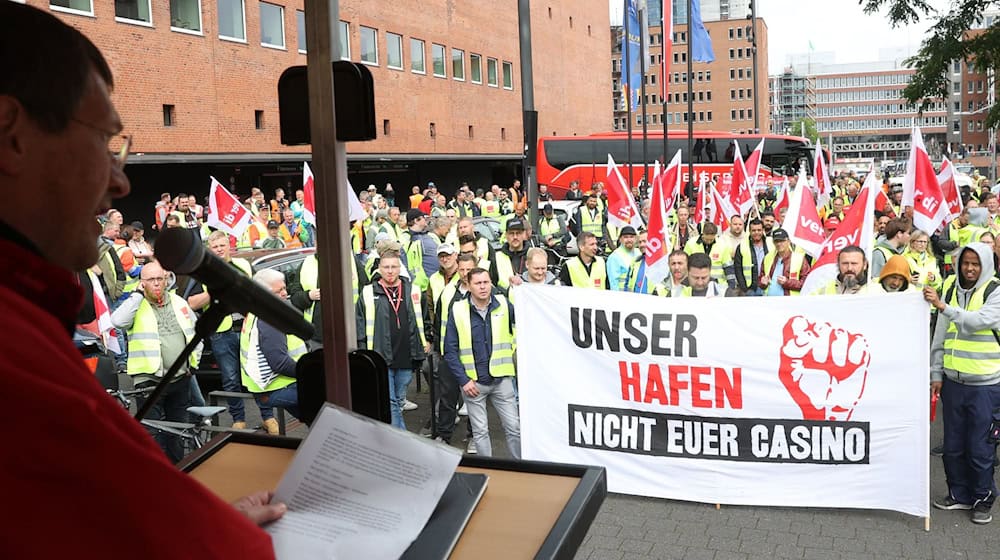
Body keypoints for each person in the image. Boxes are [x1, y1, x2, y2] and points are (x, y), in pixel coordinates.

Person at [0, 8, 285, 550]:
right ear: (10, 134)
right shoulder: (13, 357)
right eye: (104, 141)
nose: (120, 180)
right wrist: (216, 538)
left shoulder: (28, 314)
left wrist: (200, 522)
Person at [925, 242, 1000, 524]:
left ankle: (983, 497)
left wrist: (944, 307)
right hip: (953, 383)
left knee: (980, 447)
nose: (969, 268)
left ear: (986, 265)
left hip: (986, 385)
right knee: (953, 445)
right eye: (965, 263)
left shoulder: (995, 291)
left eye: (975, 263)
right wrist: (936, 373)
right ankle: (959, 494)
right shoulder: (950, 289)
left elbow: (979, 321)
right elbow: (940, 337)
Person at [112, 260, 204, 463]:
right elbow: (117, 321)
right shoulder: (136, 304)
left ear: (166, 280)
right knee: (151, 433)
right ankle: (156, 473)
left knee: (177, 431)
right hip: (149, 381)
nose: (156, 284)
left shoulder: (179, 302)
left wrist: (192, 364)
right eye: (151, 280)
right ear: (142, 282)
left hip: (180, 378)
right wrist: (137, 294)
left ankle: (177, 470)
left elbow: (196, 333)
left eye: (160, 279)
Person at [186, 231, 273, 432]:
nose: (219, 250)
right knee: (231, 378)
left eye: (222, 245)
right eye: (215, 247)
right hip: (222, 334)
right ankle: (238, 419)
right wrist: (215, 289)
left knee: (257, 373)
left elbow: (261, 292)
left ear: (229, 245)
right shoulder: (204, 272)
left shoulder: (244, 266)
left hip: (248, 329)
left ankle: (268, 416)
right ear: (210, 249)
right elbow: (192, 303)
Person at [444, 267, 521, 458]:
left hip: (501, 380)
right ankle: (489, 472)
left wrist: (521, 290)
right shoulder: (458, 310)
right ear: (468, 286)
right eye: (478, 283)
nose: (483, 287)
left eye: (486, 282)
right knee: (480, 433)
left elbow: (525, 318)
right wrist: (463, 380)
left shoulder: (503, 303)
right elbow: (450, 350)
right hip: (473, 383)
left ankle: (521, 468)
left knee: (514, 428)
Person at [356, 252, 428, 430]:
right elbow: (359, 324)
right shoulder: (368, 292)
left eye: (393, 267)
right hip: (380, 356)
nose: (390, 271)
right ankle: (401, 441)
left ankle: (388, 433)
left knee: (397, 399)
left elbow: (425, 318)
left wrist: (428, 340)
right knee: (391, 402)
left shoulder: (413, 290)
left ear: (400, 268)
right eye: (386, 267)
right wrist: (364, 351)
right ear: (379, 269)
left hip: (406, 355)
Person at [240, 269, 305, 420]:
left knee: (316, 421)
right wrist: (309, 373)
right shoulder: (269, 320)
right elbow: (280, 363)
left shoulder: (257, 310)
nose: (284, 293)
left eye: (284, 288)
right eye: (278, 291)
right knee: (331, 398)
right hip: (275, 387)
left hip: (270, 386)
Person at [759, 228, 811, 296]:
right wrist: (763, 283)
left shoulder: (799, 258)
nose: (779, 244)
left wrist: (787, 282)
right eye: (776, 241)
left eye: (782, 241)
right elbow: (761, 280)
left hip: (789, 303)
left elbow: (807, 283)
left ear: (788, 241)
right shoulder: (767, 258)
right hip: (769, 302)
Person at [808, 246, 879, 295]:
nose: (849, 268)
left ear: (865, 265)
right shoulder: (823, 291)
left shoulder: (876, 292)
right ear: (838, 264)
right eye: (845, 263)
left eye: (854, 263)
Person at [732, 218, 773, 296]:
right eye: (754, 230)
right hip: (750, 289)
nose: (756, 232)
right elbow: (738, 269)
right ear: (749, 231)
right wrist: (744, 288)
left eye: (759, 230)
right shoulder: (742, 246)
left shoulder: (771, 244)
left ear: (763, 230)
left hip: (768, 286)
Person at [495, 217, 530, 289]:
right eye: (511, 233)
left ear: (523, 234)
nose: (515, 237)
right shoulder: (497, 257)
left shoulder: (532, 254)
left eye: (518, 233)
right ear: (506, 235)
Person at [606, 226, 641, 291]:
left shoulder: (639, 253)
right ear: (620, 239)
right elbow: (614, 284)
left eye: (631, 237)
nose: (629, 240)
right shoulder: (614, 257)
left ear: (636, 239)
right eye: (626, 237)